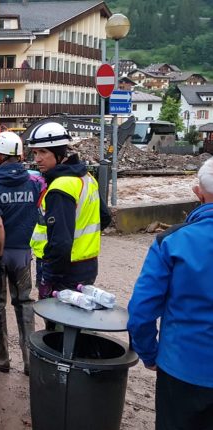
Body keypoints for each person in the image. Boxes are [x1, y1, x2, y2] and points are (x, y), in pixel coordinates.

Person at [127, 158, 213, 430]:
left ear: (198, 192)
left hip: (182, 369)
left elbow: (141, 310)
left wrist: (149, 354)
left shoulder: (173, 241)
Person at [27, 122, 111, 300]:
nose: (37, 159)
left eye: (43, 152)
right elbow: (104, 217)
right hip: (87, 266)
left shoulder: (61, 187)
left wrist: (48, 277)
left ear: (59, 153)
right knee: (77, 320)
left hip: (62, 271)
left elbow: (61, 242)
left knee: (58, 323)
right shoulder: (86, 177)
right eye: (35, 153)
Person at [0, 131, 45, 375]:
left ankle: (2, 357)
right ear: (20, 155)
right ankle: (30, 361)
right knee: (24, 303)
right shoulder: (36, 182)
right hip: (23, 255)